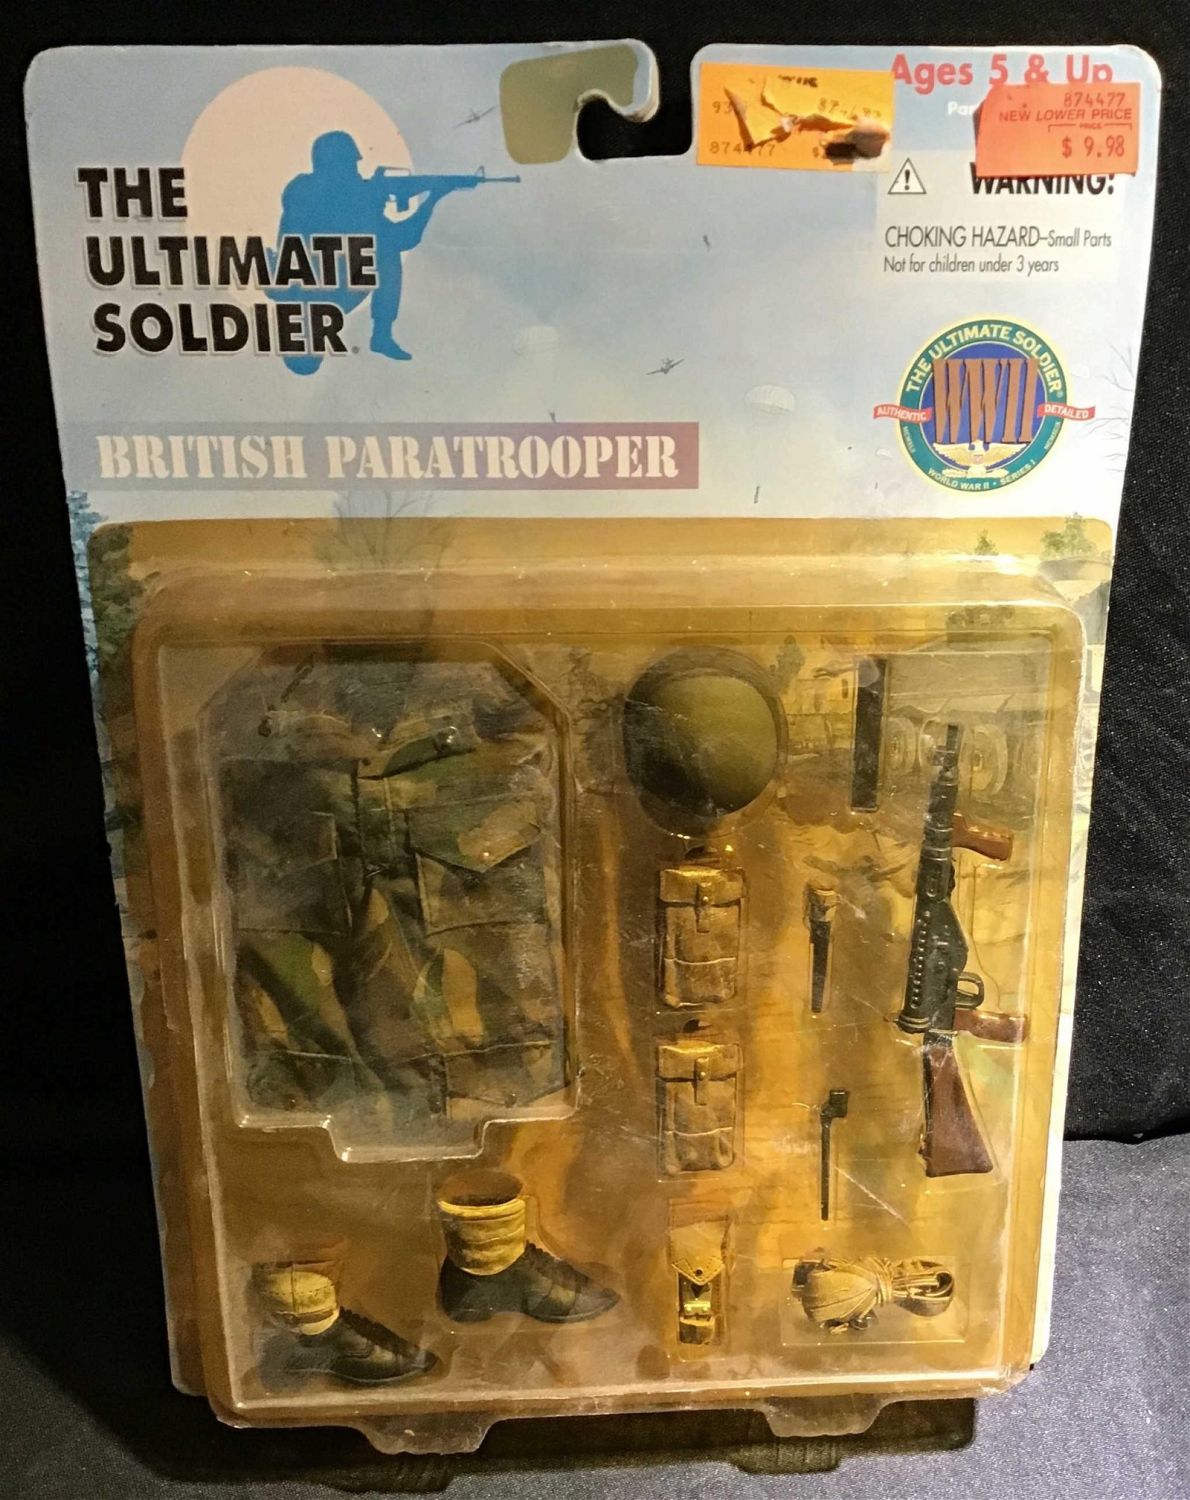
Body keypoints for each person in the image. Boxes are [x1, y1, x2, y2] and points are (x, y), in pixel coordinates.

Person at [273, 130, 450, 374]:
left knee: (384, 251)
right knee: (383, 252)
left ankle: (382, 333)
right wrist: (366, 203)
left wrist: (433, 198)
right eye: (349, 165)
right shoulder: (304, 189)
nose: (356, 172)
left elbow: (402, 238)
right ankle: (382, 333)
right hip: (326, 262)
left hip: (337, 264)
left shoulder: (286, 293)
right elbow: (318, 219)